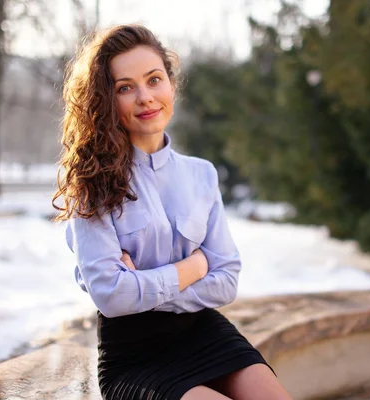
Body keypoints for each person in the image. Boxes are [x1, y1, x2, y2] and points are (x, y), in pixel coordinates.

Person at [53, 24, 292, 400]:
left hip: (205, 333)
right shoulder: (91, 184)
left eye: (154, 80)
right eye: (125, 87)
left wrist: (141, 288)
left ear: (171, 85)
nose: (145, 97)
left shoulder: (201, 175)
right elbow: (112, 298)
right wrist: (192, 269)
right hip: (134, 357)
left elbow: (227, 278)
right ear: (106, 100)